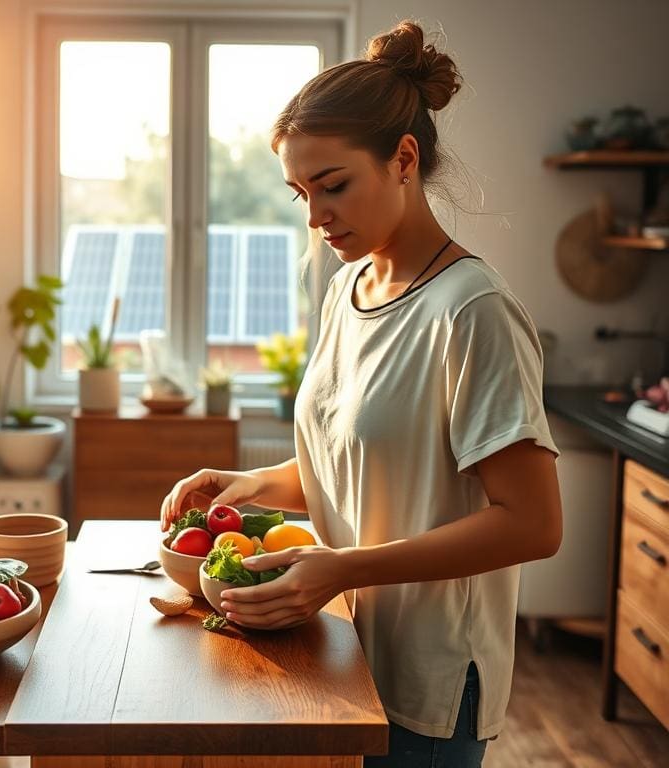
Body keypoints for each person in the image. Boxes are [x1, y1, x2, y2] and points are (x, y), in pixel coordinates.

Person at [160, 19, 562, 768]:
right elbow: (363, 465)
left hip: (428, 678)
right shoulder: (349, 289)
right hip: (346, 649)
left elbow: (532, 525)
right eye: (298, 194)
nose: (315, 216)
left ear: (403, 159)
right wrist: (252, 484)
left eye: (333, 185)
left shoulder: (473, 311)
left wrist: (342, 568)